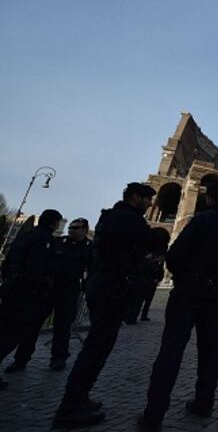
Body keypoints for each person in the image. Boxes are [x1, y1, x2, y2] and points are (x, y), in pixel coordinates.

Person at [138, 183, 218, 430]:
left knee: (171, 350)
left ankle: (153, 415)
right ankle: (204, 403)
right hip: (217, 292)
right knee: (211, 349)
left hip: (188, 290)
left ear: (209, 200)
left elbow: (174, 256)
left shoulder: (201, 220)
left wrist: (183, 275)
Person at [53, 183, 156, 428]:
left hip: (101, 284)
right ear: (135, 197)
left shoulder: (111, 216)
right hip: (112, 287)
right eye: (147, 199)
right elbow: (142, 248)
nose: (150, 204)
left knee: (97, 345)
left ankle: (80, 397)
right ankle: (70, 407)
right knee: (96, 347)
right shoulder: (128, 220)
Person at [8, 218, 92, 373]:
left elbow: (92, 269)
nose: (71, 230)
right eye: (70, 227)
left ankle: (58, 358)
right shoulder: (58, 242)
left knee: (63, 326)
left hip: (69, 290)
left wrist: (86, 286)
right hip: (49, 288)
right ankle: (21, 359)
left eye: (76, 228)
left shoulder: (89, 248)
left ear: (85, 230)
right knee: (33, 324)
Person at [0, 209, 63, 390]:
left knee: (4, 328)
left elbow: (8, 262)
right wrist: (42, 287)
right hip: (26, 294)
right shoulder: (44, 240)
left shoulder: (25, 235)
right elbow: (37, 269)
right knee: (13, 334)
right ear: (53, 223)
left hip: (11, 289)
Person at [125, 228, 169, 324]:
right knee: (137, 299)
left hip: (148, 279)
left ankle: (134, 316)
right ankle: (130, 317)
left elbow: (159, 268)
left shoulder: (152, 253)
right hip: (144, 278)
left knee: (140, 299)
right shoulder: (147, 253)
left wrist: (158, 278)